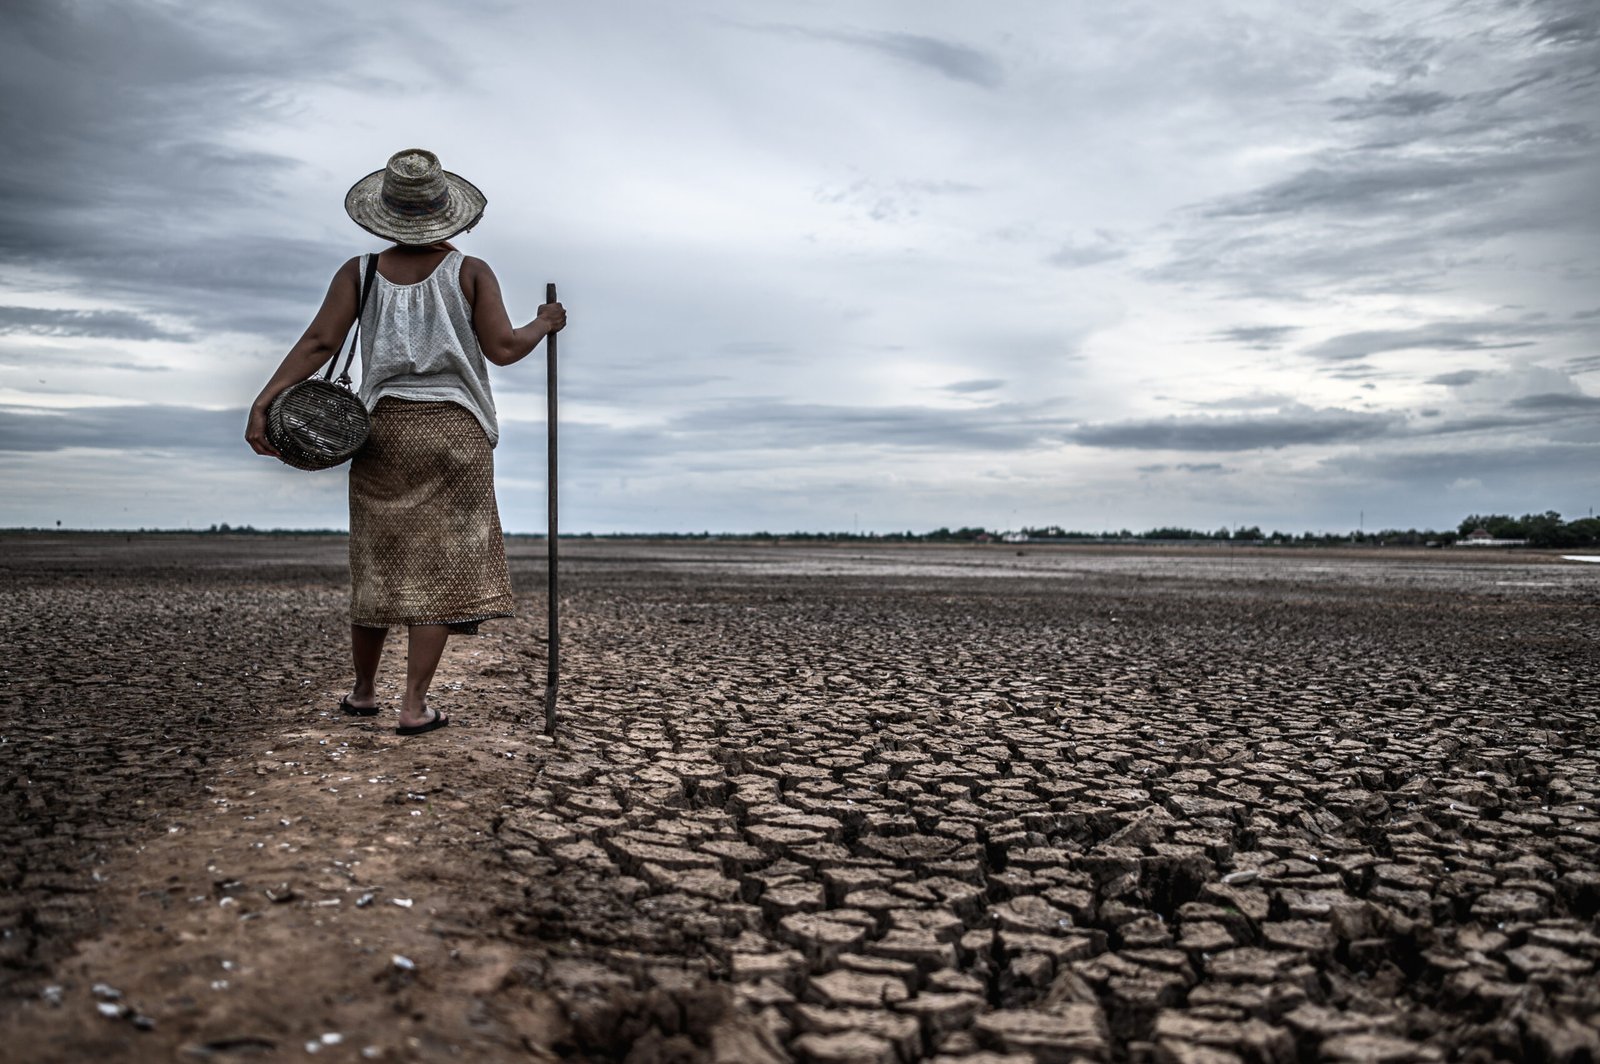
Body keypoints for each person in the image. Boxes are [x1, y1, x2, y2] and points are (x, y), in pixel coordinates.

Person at [246, 148, 565, 736]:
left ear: (384, 215)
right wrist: (543, 325)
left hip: (382, 430)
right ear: (451, 215)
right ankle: (414, 706)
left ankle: (364, 692)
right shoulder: (470, 271)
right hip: (455, 432)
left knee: (377, 561)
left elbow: (320, 343)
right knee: (440, 570)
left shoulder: (359, 272)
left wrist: (265, 400)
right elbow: (502, 348)